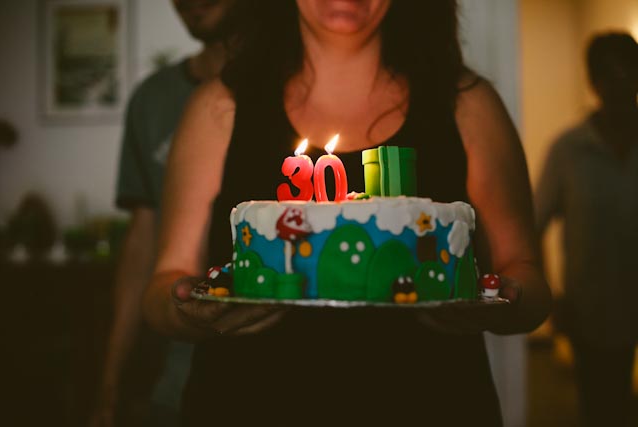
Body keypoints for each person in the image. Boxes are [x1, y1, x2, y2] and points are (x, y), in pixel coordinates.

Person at [143, 1, 552, 425]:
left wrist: (504, 304)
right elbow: (163, 287)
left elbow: (528, 280)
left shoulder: (470, 105)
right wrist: (190, 311)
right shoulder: (218, 107)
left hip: (434, 403)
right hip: (247, 403)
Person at [90, 1, 240, 426]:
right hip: (181, 383)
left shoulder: (295, 89)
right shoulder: (153, 100)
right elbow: (142, 245)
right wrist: (109, 386)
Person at [535, 32, 638, 427]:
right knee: (601, 408)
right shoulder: (568, 150)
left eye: (627, 71)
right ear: (593, 81)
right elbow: (535, 222)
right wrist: (551, 297)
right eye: (608, 74)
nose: (619, 83)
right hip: (591, 311)